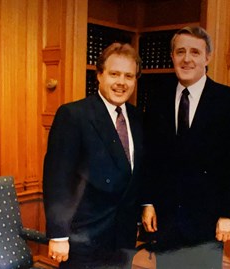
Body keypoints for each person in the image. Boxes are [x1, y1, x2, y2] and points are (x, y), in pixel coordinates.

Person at [141, 26, 230, 269]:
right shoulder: (158, 97)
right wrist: (147, 202)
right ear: (172, 57)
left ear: (207, 57)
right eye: (180, 52)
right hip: (166, 217)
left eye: (195, 52)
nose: (187, 59)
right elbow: (149, 156)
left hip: (208, 219)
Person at [43, 42, 143, 269]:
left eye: (129, 76)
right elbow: (57, 179)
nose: (121, 82)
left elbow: (137, 173)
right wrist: (58, 236)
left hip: (123, 237)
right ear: (99, 75)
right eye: (114, 74)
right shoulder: (73, 115)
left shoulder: (137, 119)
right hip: (84, 239)